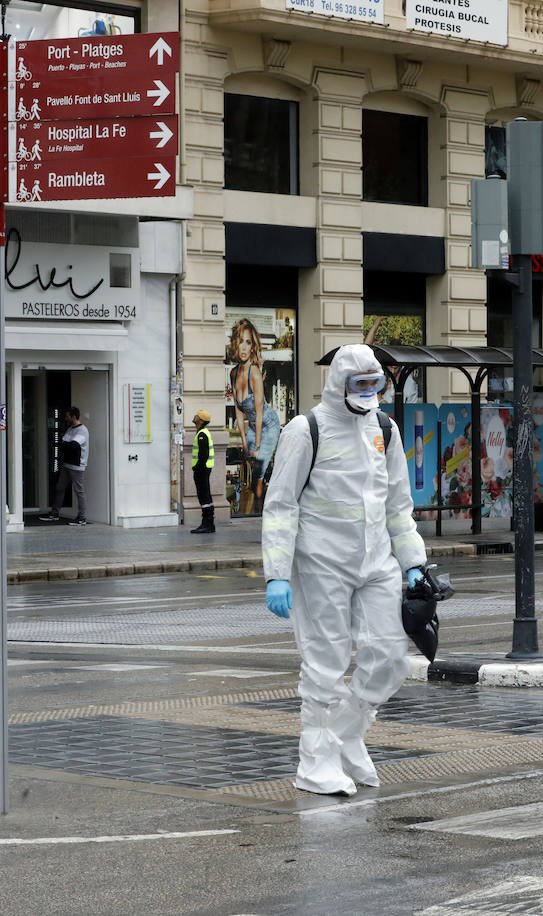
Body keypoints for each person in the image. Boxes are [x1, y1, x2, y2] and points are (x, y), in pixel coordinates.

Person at [262, 344, 427, 797]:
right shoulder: (306, 429)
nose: (369, 392)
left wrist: (413, 563)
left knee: (391, 658)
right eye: (361, 383)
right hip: (321, 563)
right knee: (326, 663)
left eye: (376, 383)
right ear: (340, 383)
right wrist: (277, 572)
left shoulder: (386, 430)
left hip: (377, 562)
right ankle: (315, 762)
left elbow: (398, 505)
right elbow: (280, 505)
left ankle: (346, 733)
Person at [227, 318, 281, 507]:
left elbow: (259, 414)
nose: (243, 347)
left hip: (268, 425)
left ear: (253, 347)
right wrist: (244, 441)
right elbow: (239, 411)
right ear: (236, 343)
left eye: (248, 342)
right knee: (249, 472)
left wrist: (256, 446)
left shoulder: (255, 373)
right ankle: (253, 508)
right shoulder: (233, 374)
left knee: (257, 473)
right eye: (240, 341)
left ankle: (259, 512)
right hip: (252, 426)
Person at [40, 406, 89, 525]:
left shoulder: (82, 430)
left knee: (79, 491)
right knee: (60, 488)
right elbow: (63, 443)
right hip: (67, 464)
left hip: (77, 466)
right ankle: (55, 513)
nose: (66, 418)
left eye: (67, 416)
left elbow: (72, 445)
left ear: (73, 416)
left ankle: (82, 517)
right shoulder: (70, 429)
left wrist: (65, 444)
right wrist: (65, 444)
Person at [190, 408, 216, 534]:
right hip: (205, 469)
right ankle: (209, 524)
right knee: (206, 496)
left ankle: (207, 524)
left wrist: (197, 468)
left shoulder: (202, 435)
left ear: (200, 420)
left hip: (202, 470)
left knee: (204, 496)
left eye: (197, 415)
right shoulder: (203, 432)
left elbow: (203, 455)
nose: (194, 416)